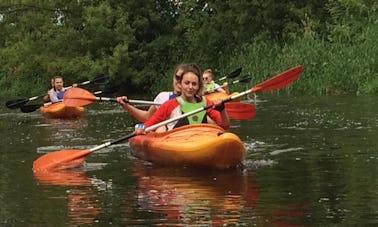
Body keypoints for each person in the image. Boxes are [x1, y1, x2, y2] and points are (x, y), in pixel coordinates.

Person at [135, 63, 230, 135]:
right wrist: (141, 128)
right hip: (178, 141)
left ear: (198, 86)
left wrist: (222, 109)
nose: (190, 87)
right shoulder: (169, 105)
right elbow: (150, 123)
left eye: (194, 84)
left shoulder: (205, 103)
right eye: (187, 83)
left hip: (201, 139)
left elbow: (224, 126)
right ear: (180, 84)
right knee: (160, 129)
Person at [116, 64, 186, 123]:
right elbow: (148, 118)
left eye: (183, 79)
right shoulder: (163, 97)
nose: (179, 81)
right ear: (173, 77)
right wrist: (127, 106)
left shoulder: (196, 99)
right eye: (177, 77)